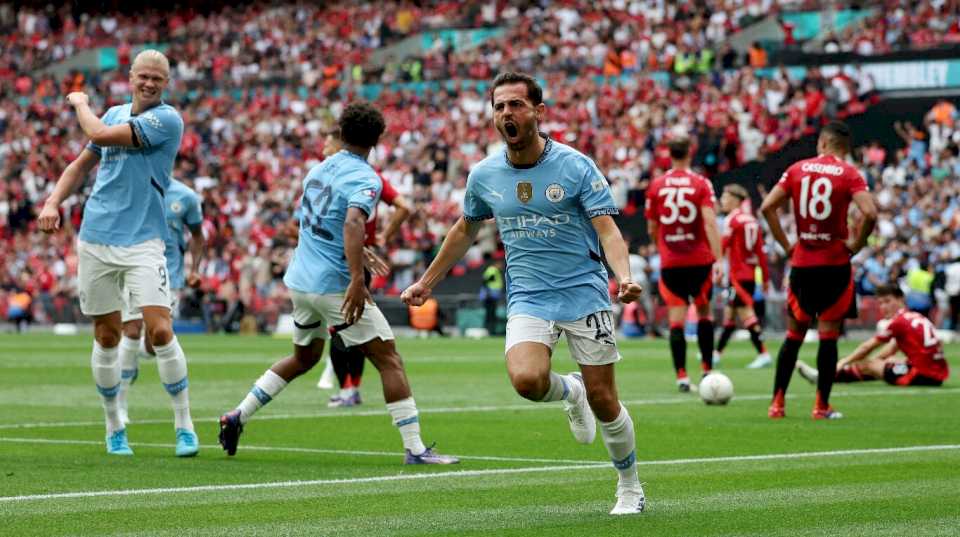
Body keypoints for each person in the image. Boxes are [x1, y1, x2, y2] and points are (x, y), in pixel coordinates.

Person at [401, 72, 645, 515]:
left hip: (584, 292)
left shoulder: (576, 166)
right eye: (499, 106)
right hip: (529, 296)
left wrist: (623, 275)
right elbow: (464, 230)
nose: (506, 113)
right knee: (527, 381)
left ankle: (629, 484)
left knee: (605, 400)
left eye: (515, 104)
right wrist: (426, 282)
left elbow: (608, 230)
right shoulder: (485, 174)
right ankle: (569, 393)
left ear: (538, 111)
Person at [218, 101, 458, 465]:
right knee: (389, 359)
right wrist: (357, 281)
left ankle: (237, 416)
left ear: (341, 134)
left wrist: (359, 253)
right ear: (377, 139)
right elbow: (351, 223)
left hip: (300, 282)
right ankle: (415, 448)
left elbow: (322, 226)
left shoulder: (316, 172)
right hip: (333, 285)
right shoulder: (366, 178)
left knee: (304, 357)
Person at [37, 49, 197, 456]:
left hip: (144, 240)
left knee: (160, 329)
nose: (149, 83)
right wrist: (53, 202)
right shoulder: (112, 112)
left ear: (166, 84)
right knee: (106, 336)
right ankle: (114, 427)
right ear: (130, 76)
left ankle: (184, 424)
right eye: (143, 76)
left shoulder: (167, 119)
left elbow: (100, 136)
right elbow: (78, 165)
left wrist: (80, 103)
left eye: (156, 79)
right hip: (96, 237)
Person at [760, 120, 878, 420]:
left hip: (802, 264)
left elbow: (767, 207)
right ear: (844, 149)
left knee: (794, 334)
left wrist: (787, 246)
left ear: (822, 143)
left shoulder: (798, 169)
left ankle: (777, 404)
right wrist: (857, 244)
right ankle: (820, 406)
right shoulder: (850, 173)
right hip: (835, 265)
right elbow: (870, 212)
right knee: (828, 336)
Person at [315, 128, 411, 408]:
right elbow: (403, 207)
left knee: (345, 329)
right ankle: (349, 388)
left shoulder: (356, 176)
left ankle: (349, 388)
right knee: (344, 328)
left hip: (349, 262)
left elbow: (404, 207)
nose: (323, 147)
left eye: (328, 141)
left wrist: (380, 237)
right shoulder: (352, 176)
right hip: (343, 260)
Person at [116, 177, 205, 425]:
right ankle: (121, 404)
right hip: (131, 268)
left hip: (169, 275)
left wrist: (195, 269)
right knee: (131, 331)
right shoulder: (131, 186)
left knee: (156, 340)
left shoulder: (185, 196)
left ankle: (132, 360)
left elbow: (197, 236)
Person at [645, 137, 722, 392]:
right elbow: (710, 222)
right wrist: (719, 259)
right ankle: (707, 371)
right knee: (703, 314)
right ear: (690, 152)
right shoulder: (701, 183)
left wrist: (662, 246)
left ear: (669, 154)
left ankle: (681, 376)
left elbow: (652, 227)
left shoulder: (657, 185)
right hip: (699, 259)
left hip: (671, 261)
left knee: (676, 320)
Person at [796, 284, 949, 387]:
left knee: (869, 365)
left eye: (888, 301)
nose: (884, 307)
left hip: (921, 375)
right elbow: (892, 349)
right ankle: (825, 377)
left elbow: (866, 347)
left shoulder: (898, 322)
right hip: (937, 373)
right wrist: (883, 360)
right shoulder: (916, 316)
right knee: (881, 364)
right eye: (881, 303)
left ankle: (823, 377)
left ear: (901, 299)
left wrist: (843, 362)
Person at [714, 184, 771, 369]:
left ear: (735, 200)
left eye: (725, 197)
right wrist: (766, 279)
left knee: (746, 314)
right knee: (730, 316)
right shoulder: (752, 220)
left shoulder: (732, 220)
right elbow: (760, 253)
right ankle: (716, 353)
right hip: (750, 275)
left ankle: (763, 353)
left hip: (738, 276)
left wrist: (717, 264)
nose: (722, 201)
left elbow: (723, 245)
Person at [480, 254, 505, 335]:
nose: (501, 266)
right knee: (490, 313)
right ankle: (490, 331)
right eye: (500, 264)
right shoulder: (492, 270)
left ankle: (490, 330)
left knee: (491, 313)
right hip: (490, 296)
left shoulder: (493, 270)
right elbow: (485, 281)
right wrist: (488, 292)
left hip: (492, 296)